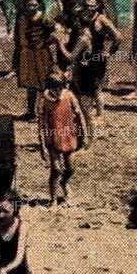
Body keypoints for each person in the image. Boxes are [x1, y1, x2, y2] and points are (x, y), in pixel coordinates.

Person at [37, 73, 87, 206]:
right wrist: (42, 145)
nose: (58, 91)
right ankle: (53, 199)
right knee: (56, 169)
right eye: (55, 88)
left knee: (70, 168)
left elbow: (79, 114)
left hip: (68, 135)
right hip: (52, 137)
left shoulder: (69, 96)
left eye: (60, 88)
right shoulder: (44, 100)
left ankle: (64, 183)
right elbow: (41, 124)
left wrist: (84, 135)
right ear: (50, 88)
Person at [12, 0, 53, 120]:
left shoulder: (45, 18)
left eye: (34, 5)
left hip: (41, 54)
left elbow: (54, 32)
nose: (32, 7)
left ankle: (43, 112)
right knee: (30, 85)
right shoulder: (22, 19)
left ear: (39, 5)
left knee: (43, 83)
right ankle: (31, 112)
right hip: (27, 54)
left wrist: (45, 42)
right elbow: (17, 38)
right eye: (29, 5)